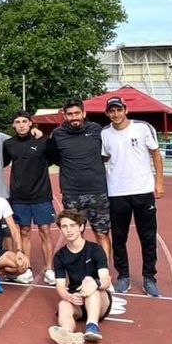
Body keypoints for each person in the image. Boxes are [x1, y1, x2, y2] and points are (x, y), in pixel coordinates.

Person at [101, 96, 164, 297]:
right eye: (111, 111)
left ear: (125, 110)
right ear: (107, 113)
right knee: (119, 237)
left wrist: (159, 182)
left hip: (143, 190)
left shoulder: (143, 128)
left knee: (147, 237)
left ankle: (149, 278)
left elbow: (155, 154)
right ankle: (123, 276)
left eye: (118, 110)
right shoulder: (105, 134)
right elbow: (104, 157)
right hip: (117, 192)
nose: (115, 114)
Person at [47, 99, 111, 260]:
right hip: (72, 193)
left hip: (98, 192)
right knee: (75, 235)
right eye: (70, 114)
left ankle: (104, 273)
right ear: (65, 116)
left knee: (102, 234)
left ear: (83, 113)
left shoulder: (96, 130)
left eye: (77, 113)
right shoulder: (57, 134)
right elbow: (53, 157)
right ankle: (81, 271)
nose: (74, 117)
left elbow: (106, 153)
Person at [3, 110, 56, 285]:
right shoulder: (9, 144)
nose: (21, 125)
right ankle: (26, 269)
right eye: (17, 122)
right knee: (24, 232)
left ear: (30, 123)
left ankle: (49, 269)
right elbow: (1, 163)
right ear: (13, 125)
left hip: (41, 195)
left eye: (24, 121)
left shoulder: (42, 141)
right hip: (19, 197)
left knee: (45, 232)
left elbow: (54, 158)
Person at [47, 209, 113, 344]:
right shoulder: (60, 256)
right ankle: (67, 333)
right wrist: (68, 297)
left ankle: (92, 326)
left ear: (81, 227)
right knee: (63, 304)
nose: (69, 230)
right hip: (78, 300)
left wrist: (95, 283)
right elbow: (60, 286)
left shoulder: (95, 250)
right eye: (64, 227)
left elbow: (106, 281)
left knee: (89, 283)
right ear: (61, 230)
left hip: (99, 298)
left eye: (72, 225)